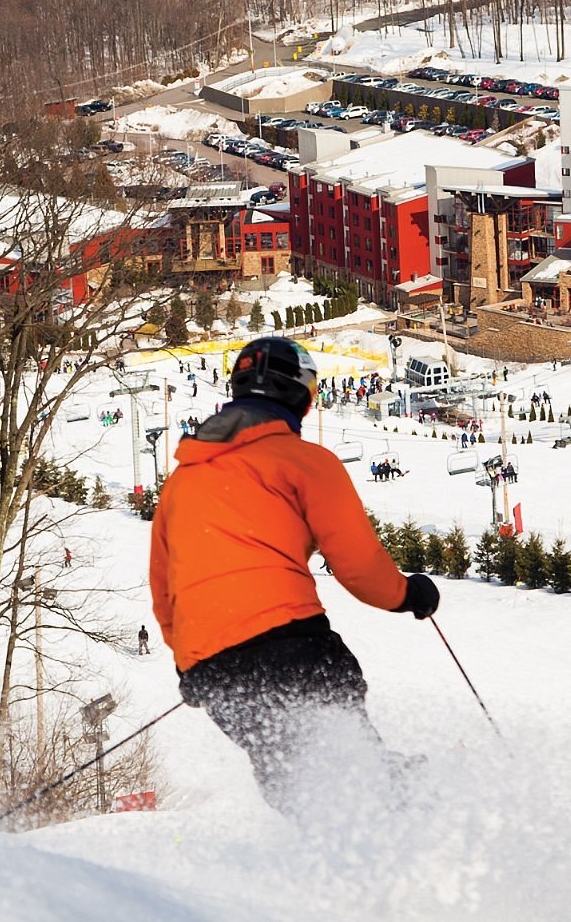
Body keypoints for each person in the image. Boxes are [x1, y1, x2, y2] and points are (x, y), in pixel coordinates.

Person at [150, 336, 437, 817]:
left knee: (293, 779)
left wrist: (191, 663)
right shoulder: (305, 462)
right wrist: (409, 594)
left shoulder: (182, 479)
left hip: (214, 672)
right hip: (289, 646)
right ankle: (408, 837)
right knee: (354, 766)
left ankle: (329, 866)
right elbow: (359, 567)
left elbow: (164, 588)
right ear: (302, 396)